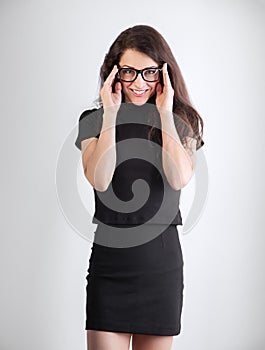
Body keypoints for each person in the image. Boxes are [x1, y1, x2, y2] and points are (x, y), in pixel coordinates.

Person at [75, 24, 204, 350]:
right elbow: (100, 179)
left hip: (161, 267)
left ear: (164, 74)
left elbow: (178, 178)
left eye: (149, 73)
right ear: (113, 73)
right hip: (110, 267)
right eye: (129, 72)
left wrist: (164, 114)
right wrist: (111, 114)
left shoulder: (181, 121)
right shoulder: (92, 120)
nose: (138, 83)